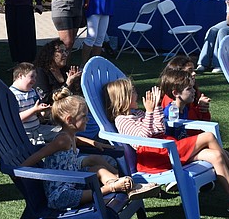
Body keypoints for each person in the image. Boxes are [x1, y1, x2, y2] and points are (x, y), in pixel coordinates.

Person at [104, 74, 229, 219]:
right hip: (154, 157)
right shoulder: (121, 120)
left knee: (216, 156)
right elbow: (141, 140)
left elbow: (160, 129)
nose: (137, 94)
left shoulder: (138, 112)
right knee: (208, 136)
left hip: (165, 148)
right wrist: (150, 112)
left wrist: (157, 107)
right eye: (132, 92)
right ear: (122, 98)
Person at [20, 89, 159, 208]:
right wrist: (20, 169)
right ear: (69, 119)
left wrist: (96, 144)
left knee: (98, 169)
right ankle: (113, 187)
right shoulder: (62, 139)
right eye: (84, 116)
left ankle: (123, 185)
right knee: (91, 180)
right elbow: (40, 154)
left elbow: (78, 140)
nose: (87, 119)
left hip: (73, 182)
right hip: (61, 194)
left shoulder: (69, 136)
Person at [9, 62, 58, 144]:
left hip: (38, 128)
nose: (34, 80)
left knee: (64, 133)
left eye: (35, 77)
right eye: (32, 77)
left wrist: (45, 111)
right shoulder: (12, 95)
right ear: (20, 76)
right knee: (47, 146)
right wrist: (34, 110)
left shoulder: (32, 91)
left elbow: (40, 115)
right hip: (24, 134)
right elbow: (15, 119)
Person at [160, 56, 212, 121]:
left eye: (193, 70)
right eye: (190, 70)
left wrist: (202, 108)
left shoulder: (191, 91)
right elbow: (188, 124)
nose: (194, 73)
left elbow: (204, 121)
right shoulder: (172, 101)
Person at [33, 39, 81, 105]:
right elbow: (45, 98)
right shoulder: (40, 72)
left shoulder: (65, 70)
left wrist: (76, 82)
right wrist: (67, 84)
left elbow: (76, 93)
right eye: (61, 51)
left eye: (65, 51)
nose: (65, 55)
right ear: (51, 54)